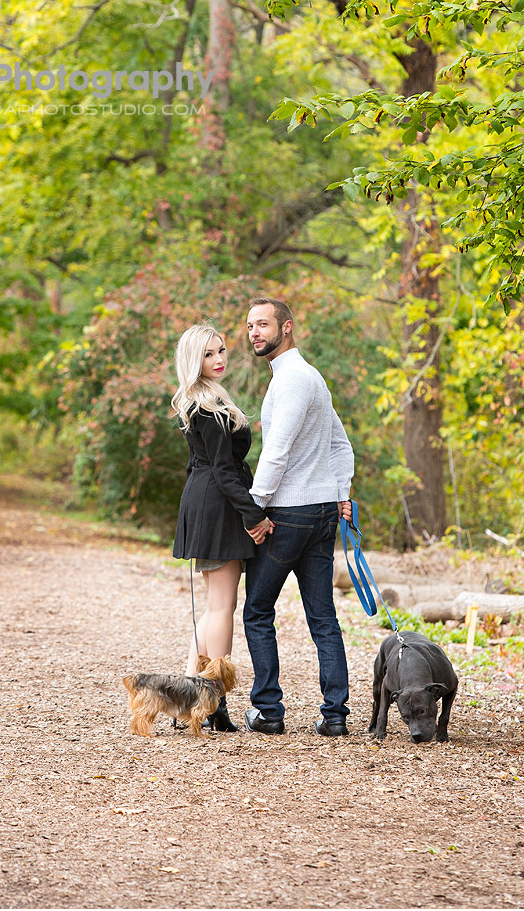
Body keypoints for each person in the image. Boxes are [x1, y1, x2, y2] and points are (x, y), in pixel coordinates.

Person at [242, 297, 355, 737]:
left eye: (263, 324)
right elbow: (341, 446)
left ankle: (269, 711)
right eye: (250, 325)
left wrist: (253, 508)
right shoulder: (313, 378)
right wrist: (341, 493)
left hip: (289, 512)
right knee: (322, 615)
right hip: (323, 510)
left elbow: (276, 451)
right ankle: (335, 715)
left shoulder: (291, 381)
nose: (254, 332)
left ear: (286, 328)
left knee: (256, 611)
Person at [171, 324, 274, 731]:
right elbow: (224, 470)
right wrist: (253, 515)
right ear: (195, 360)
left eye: (222, 351)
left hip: (207, 501)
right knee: (222, 607)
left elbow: (207, 466)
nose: (220, 358)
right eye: (210, 354)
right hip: (218, 504)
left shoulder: (202, 401)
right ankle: (214, 700)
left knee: (216, 606)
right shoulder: (208, 405)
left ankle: (188, 696)